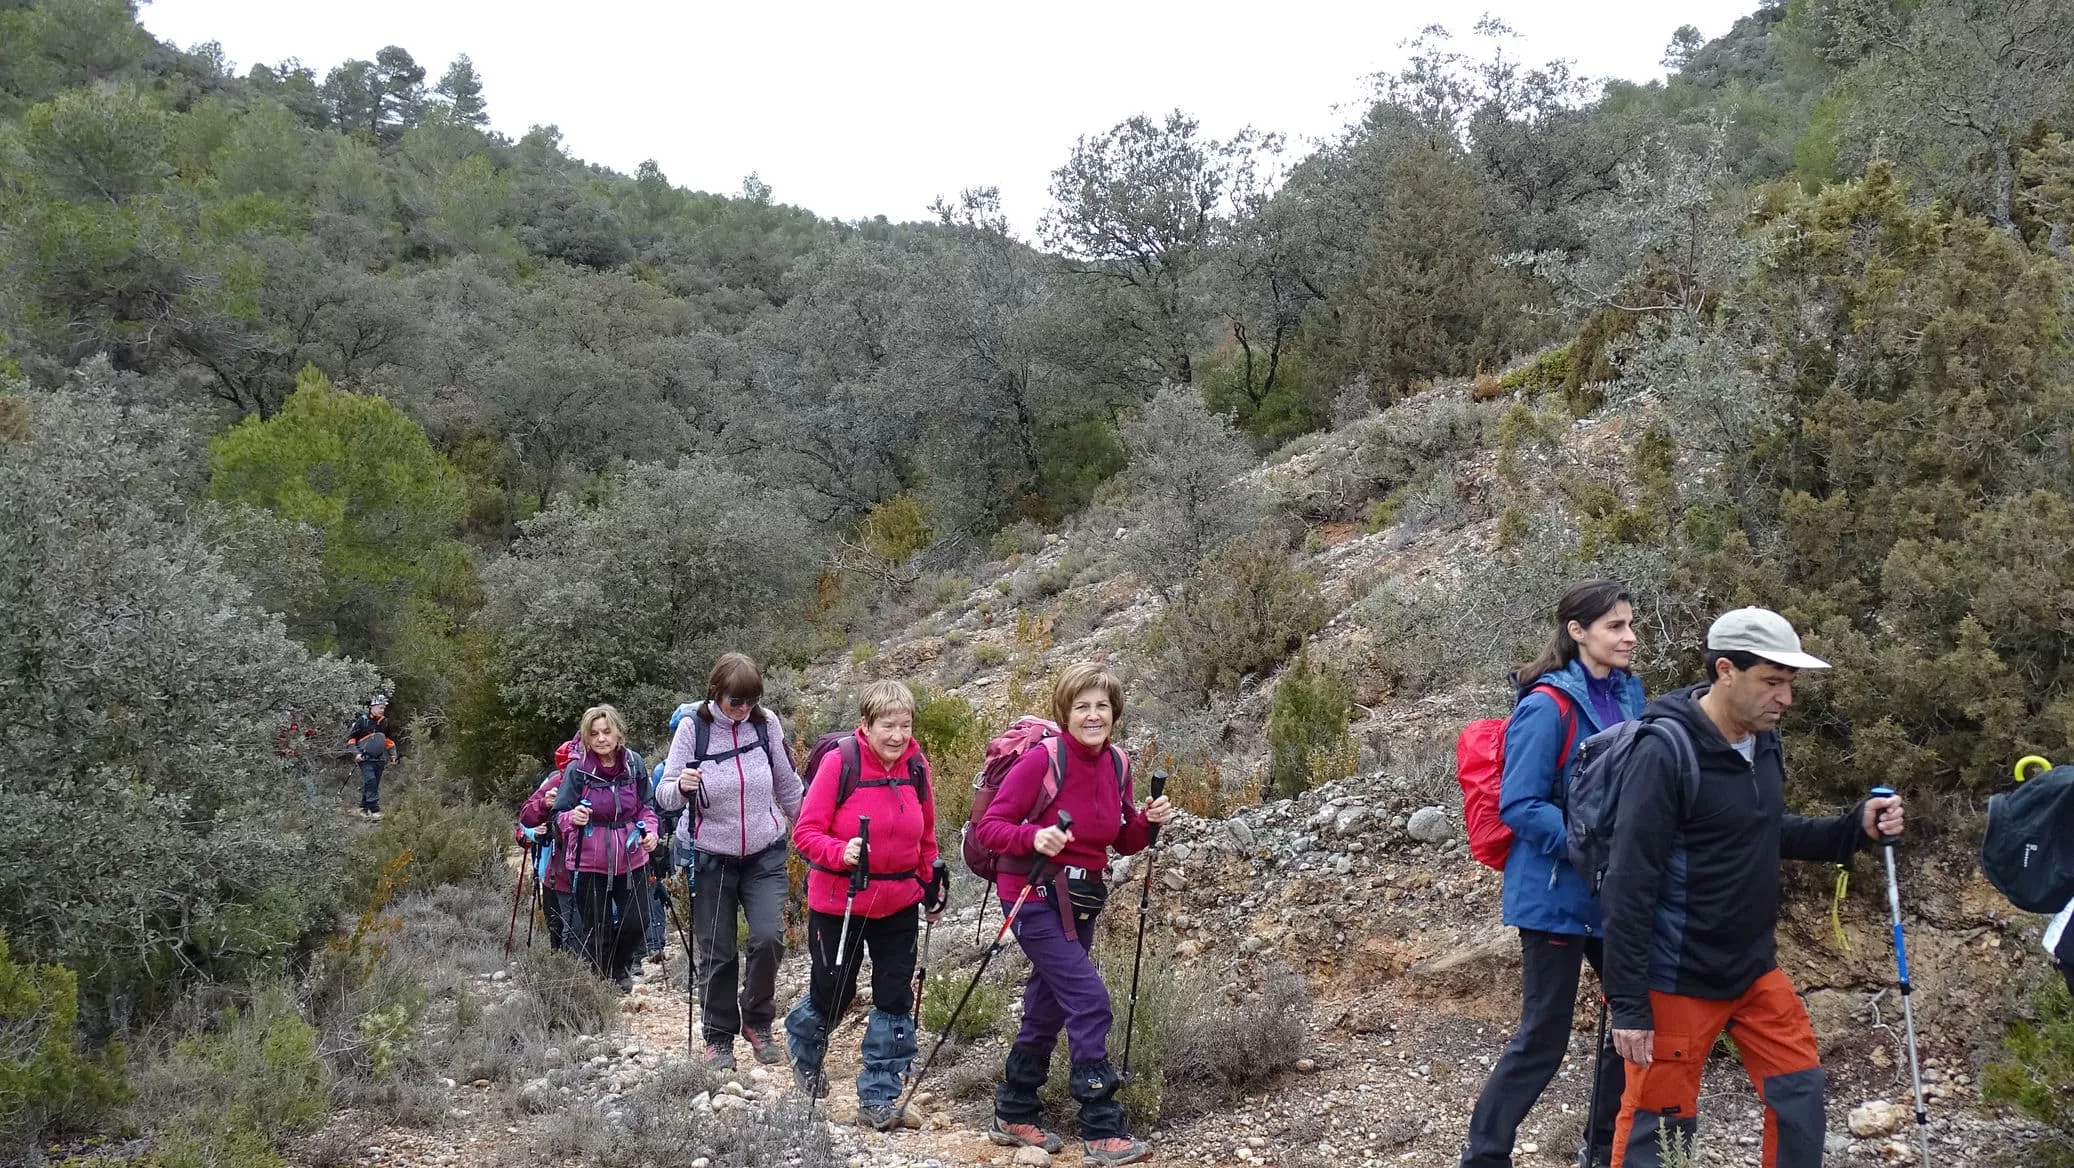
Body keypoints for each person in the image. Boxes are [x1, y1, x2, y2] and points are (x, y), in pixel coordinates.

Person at [1601, 608, 1904, 1168]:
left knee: (1800, 1097)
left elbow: (1761, 830)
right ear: (1725, 671)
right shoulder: (1665, 752)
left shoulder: (1763, 743)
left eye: (1788, 682)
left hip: (1752, 969)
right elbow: (1628, 882)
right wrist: (1629, 1005)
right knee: (1660, 1131)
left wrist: (1849, 828)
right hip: (1676, 977)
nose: (1785, 697)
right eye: (1772, 681)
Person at [1460, 580, 1645, 1168]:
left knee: (1631, 1024)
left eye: (1631, 624)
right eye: (1616, 626)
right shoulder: (1547, 705)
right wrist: (1586, 846)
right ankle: (1484, 1156)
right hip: (1555, 895)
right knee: (1543, 1035)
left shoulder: (1630, 693)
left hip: (1615, 896)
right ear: (1578, 631)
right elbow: (1519, 802)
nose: (1630, 636)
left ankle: (1602, 1151)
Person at [973, 662, 1172, 1168]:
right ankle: (1102, 1124)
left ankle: (1013, 1110)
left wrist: (1146, 823)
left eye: (1101, 706)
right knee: (1089, 998)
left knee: (1050, 1002)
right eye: (1082, 706)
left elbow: (1118, 839)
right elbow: (991, 828)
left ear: (1115, 712)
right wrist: (1032, 836)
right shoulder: (1043, 759)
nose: (1092, 715)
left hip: (1081, 900)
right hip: (1032, 894)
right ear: (1066, 712)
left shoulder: (1119, 764)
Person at [786, 681, 950, 1129]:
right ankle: (802, 1038)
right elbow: (805, 833)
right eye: (887, 725)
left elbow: (927, 834)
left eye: (905, 724)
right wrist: (841, 853)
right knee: (834, 992)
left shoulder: (917, 766)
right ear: (866, 725)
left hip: (899, 901)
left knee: (894, 996)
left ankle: (880, 1093)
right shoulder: (842, 763)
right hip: (842, 899)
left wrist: (929, 881)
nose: (898, 735)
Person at [655, 653, 803, 1071]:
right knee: (718, 952)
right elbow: (664, 795)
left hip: (765, 852)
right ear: (716, 693)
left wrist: (812, 828)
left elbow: (787, 784)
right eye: (736, 701)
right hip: (711, 856)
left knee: (769, 937)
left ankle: (757, 1020)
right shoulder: (693, 729)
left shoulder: (765, 723)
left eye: (751, 701)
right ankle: (718, 1038)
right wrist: (681, 786)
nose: (743, 710)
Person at [551, 706, 659, 992]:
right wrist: (572, 818)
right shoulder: (578, 771)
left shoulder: (634, 765)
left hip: (631, 855)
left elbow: (646, 808)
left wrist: (651, 832)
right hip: (589, 859)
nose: (601, 739)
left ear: (618, 733)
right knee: (596, 927)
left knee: (638, 921)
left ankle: (618, 965)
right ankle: (605, 983)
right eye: (594, 733)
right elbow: (558, 815)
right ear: (586, 738)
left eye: (606, 732)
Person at [518, 739, 581, 952]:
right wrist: (533, 833)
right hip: (551, 865)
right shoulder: (552, 783)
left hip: (578, 862)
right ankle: (562, 960)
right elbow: (523, 823)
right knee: (557, 921)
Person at [346, 694, 396, 820]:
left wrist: (393, 754)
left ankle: (363, 808)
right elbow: (351, 740)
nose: (382, 710)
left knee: (373, 783)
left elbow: (389, 740)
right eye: (380, 707)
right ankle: (375, 810)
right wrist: (356, 753)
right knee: (371, 781)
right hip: (365, 758)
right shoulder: (363, 721)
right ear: (372, 707)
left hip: (380, 759)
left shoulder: (384, 722)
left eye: (383, 708)